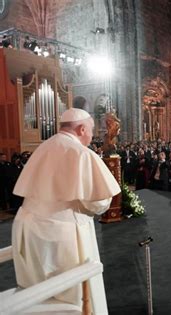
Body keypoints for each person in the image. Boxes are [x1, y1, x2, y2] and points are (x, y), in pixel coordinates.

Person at [11, 108, 121, 314]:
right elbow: (98, 203)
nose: (92, 135)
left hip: (26, 230)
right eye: (90, 130)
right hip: (62, 236)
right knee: (71, 299)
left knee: (39, 297)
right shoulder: (80, 153)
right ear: (81, 129)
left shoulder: (43, 147)